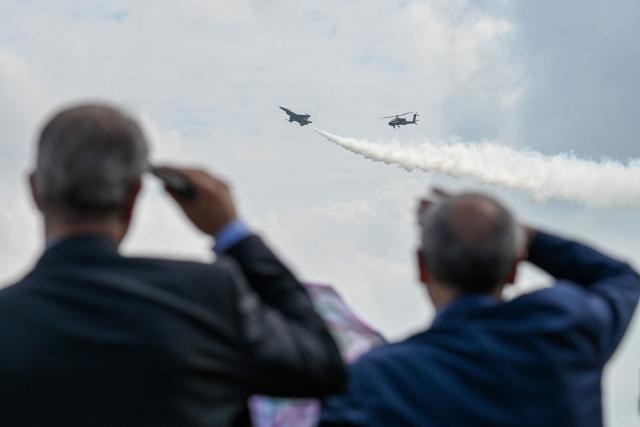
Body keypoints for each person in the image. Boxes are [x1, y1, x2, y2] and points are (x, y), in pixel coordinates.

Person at [0, 103, 345, 427]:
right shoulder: (207, 295)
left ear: (34, 190)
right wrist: (233, 234)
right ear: (135, 194)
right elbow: (322, 365)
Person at [320, 191, 640, 427]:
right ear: (515, 267)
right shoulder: (564, 327)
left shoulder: (381, 377)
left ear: (422, 267)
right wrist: (523, 235)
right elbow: (621, 278)